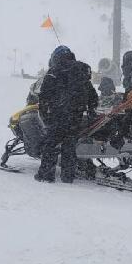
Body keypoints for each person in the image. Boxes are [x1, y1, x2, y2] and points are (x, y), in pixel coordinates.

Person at [35, 46, 97, 183]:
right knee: (69, 146)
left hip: (59, 114)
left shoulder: (54, 71)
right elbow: (93, 95)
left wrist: (46, 114)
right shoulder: (81, 70)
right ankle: (68, 176)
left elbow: (44, 96)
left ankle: (46, 175)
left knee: (50, 144)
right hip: (76, 115)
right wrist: (91, 109)